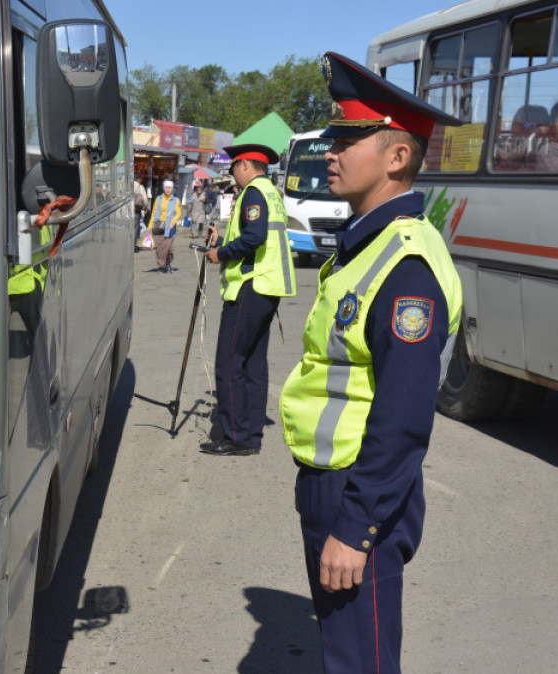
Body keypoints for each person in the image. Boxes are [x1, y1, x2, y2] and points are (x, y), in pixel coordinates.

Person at [278, 52, 463, 673]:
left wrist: (357, 526)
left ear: (396, 157)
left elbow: (404, 415)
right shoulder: (369, 246)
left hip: (361, 489)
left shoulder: (405, 266)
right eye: (331, 138)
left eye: (348, 139)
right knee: (346, 655)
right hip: (335, 481)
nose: (331, 152)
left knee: (361, 663)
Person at [199, 143, 296, 455]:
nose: (233, 176)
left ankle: (235, 436)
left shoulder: (253, 192)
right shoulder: (271, 193)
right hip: (268, 287)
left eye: (233, 169)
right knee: (254, 364)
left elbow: (254, 237)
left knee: (229, 363)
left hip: (251, 286)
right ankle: (250, 434)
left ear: (244, 165)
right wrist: (221, 238)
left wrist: (219, 253)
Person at [149, 179, 182, 273]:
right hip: (158, 227)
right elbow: (154, 212)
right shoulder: (158, 199)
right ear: (163, 188)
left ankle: (167, 264)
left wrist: (173, 222)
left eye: (170, 188)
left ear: (172, 189)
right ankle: (161, 266)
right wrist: (150, 226)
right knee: (159, 249)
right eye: (166, 187)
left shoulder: (176, 200)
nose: (168, 190)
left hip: (170, 228)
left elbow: (178, 213)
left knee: (168, 249)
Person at [133, 175, 149, 251]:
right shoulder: (140, 187)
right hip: (136, 210)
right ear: (138, 179)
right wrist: (146, 207)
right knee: (135, 227)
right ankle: (133, 245)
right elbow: (145, 199)